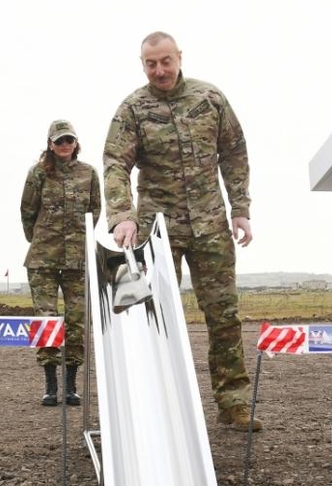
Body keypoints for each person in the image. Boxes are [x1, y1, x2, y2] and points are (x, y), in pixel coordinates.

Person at [102, 32, 260, 432]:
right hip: (157, 229)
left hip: (210, 225)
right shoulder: (132, 109)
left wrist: (240, 208)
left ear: (179, 58)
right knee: (151, 316)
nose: (160, 70)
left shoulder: (210, 99)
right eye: (151, 64)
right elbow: (115, 163)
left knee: (224, 316)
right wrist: (123, 214)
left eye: (166, 61)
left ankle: (234, 404)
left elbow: (235, 152)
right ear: (142, 64)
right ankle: (154, 407)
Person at [20, 119, 101, 406]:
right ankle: (50, 384)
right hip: (43, 260)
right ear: (50, 144)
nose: (64, 145)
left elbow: (94, 212)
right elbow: (27, 213)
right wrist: (42, 240)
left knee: (76, 321)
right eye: (59, 141)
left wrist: (77, 242)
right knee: (47, 320)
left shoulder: (89, 174)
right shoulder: (39, 174)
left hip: (77, 262)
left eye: (69, 140)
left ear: (76, 143)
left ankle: (70, 384)